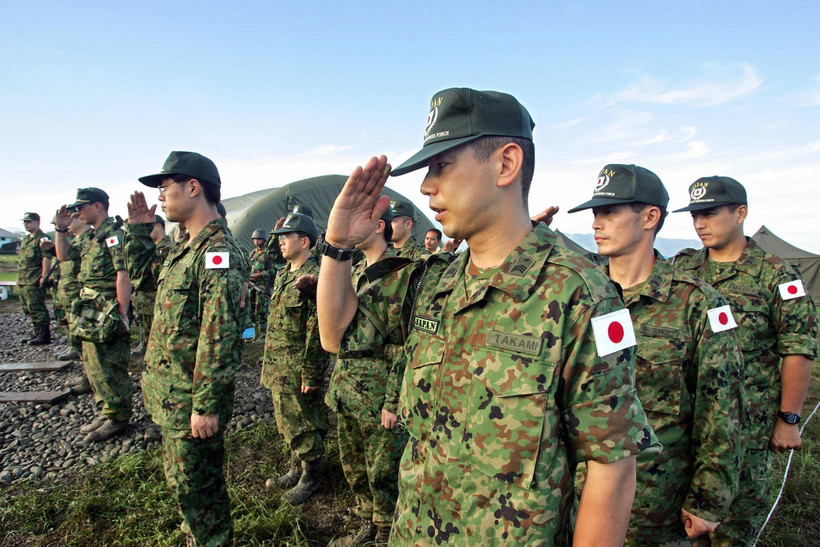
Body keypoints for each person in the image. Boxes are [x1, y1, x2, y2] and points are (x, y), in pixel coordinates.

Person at [316, 87, 658, 545]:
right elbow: (336, 336)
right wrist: (338, 245)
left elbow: (611, 466)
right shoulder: (431, 282)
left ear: (506, 164)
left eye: (442, 166)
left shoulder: (581, 295)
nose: (426, 186)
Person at [568, 164, 745, 545]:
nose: (596, 223)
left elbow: (722, 409)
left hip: (652, 506)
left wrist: (708, 499)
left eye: (609, 212)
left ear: (650, 217)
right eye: (595, 213)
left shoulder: (697, 303)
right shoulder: (579, 295)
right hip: (573, 497)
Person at [672, 176, 818, 545]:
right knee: (681, 525)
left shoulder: (776, 274)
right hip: (687, 421)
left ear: (740, 213)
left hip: (747, 428)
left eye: (710, 213)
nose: (700, 223)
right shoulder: (683, 268)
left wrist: (789, 419)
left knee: (733, 530)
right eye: (695, 216)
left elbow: (797, 348)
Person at [134, 151, 245, 547]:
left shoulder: (217, 252)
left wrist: (206, 405)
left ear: (193, 187)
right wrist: (137, 233)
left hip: (190, 403)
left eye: (165, 188)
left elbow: (220, 333)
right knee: (186, 489)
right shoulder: (184, 247)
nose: (160, 197)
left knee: (201, 495)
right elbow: (142, 280)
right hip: (172, 396)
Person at [325, 203, 409, 545]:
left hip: (378, 392)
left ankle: (386, 530)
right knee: (354, 464)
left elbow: (405, 345)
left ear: (378, 227)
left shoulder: (401, 275)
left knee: (383, 470)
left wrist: (393, 400)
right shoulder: (354, 270)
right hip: (348, 386)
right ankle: (367, 521)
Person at [261, 212, 329, 505]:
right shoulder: (284, 273)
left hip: (297, 368)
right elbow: (267, 258)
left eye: (286, 237)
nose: (281, 242)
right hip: (278, 365)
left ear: (304, 241)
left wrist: (311, 373)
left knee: (304, 422)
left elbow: (317, 329)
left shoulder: (314, 278)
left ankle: (311, 476)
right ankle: (296, 468)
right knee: (287, 421)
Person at [55, 188, 132, 442]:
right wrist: (61, 230)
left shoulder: (113, 235)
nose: (78, 212)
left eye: (82, 207)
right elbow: (64, 256)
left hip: (106, 305)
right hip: (89, 305)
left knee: (108, 363)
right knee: (92, 362)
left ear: (98, 206)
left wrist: (122, 314)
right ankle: (106, 409)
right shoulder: (89, 237)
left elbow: (123, 275)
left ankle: (118, 416)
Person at [124, 214, 172, 355]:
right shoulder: (149, 251)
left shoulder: (168, 250)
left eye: (148, 227)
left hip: (158, 303)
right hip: (145, 303)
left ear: (158, 226)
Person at [53, 214, 92, 363]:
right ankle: (74, 348)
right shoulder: (75, 241)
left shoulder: (91, 239)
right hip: (68, 289)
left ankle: (82, 355)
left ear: (80, 219)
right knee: (70, 322)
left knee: (80, 326)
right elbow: (63, 257)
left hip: (79, 291)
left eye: (71, 218)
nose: (68, 223)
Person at [17, 212, 52, 345]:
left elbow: (46, 257)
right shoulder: (26, 240)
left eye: (29, 222)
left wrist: (44, 276)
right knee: (28, 308)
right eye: (25, 222)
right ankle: (37, 332)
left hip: (34, 279)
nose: (26, 224)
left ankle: (44, 335)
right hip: (23, 280)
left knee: (36, 306)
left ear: (37, 222)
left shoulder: (42, 238)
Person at [248, 228, 273, 339]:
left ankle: (263, 335)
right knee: (252, 310)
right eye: (254, 239)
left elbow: (273, 270)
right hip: (251, 286)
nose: (256, 241)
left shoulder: (268, 254)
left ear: (264, 240)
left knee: (261, 311)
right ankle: (256, 334)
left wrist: (259, 275)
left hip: (263, 287)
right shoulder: (251, 254)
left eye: (258, 239)